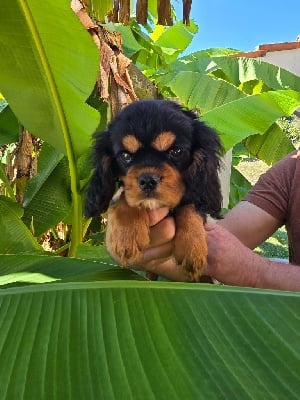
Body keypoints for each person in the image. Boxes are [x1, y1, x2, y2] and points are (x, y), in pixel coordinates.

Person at [134, 149, 300, 291]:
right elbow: (210, 255)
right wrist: (142, 246)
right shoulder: (293, 170)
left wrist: (256, 272)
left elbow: (244, 267)